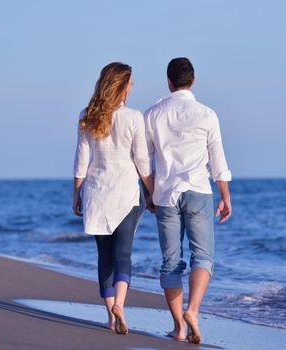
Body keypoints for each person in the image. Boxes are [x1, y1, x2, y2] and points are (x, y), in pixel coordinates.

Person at [144, 57, 232, 344]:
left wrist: (149, 192)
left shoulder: (153, 114)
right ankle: (193, 310)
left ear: (169, 82)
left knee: (170, 262)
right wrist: (225, 195)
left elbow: (144, 160)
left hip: (166, 193)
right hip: (198, 190)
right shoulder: (207, 114)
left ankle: (179, 326)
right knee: (203, 257)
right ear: (192, 81)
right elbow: (217, 157)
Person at [72, 62, 153, 335]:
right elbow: (142, 160)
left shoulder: (87, 117)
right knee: (123, 254)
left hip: (96, 194)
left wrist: (76, 193)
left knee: (104, 256)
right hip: (126, 195)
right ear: (122, 87)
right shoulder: (133, 117)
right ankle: (120, 304)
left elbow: (81, 161)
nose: (132, 88)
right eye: (130, 83)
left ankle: (110, 316)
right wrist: (152, 192)